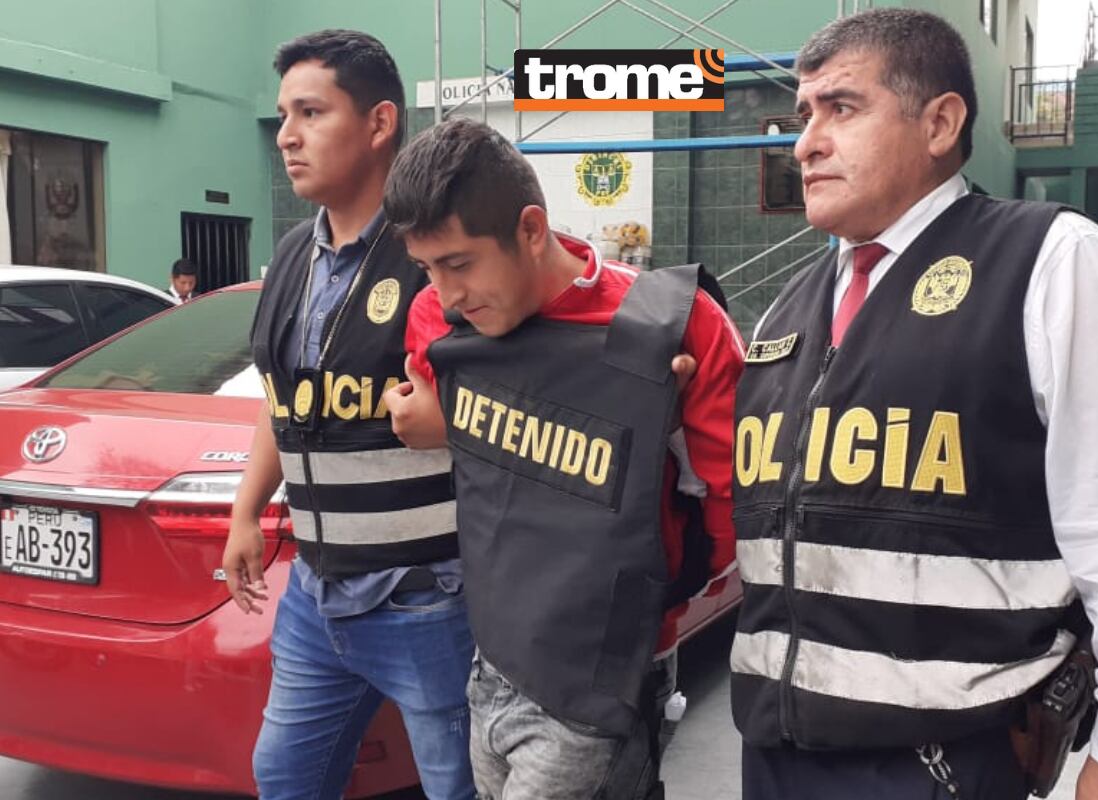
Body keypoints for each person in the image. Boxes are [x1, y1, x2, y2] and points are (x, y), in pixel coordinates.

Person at [732, 8, 1098, 800]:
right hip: (776, 753)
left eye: (840, 108)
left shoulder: (1051, 260)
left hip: (945, 763)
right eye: (803, 114)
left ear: (940, 123)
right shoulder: (789, 306)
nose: (804, 142)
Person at [382, 117, 743, 800]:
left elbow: (730, 511)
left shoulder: (675, 325)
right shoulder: (437, 318)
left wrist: (648, 611)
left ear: (530, 228)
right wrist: (440, 424)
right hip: (488, 659)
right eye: (426, 268)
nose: (444, 291)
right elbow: (451, 428)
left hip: (602, 677)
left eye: (459, 263)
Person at [220, 30, 474, 800]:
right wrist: (245, 513)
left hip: (428, 598)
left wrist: (451, 423)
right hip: (315, 594)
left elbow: (521, 401)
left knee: (460, 787)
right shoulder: (294, 254)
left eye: (310, 113)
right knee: (286, 778)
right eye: (283, 116)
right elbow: (284, 400)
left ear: (379, 123)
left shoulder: (440, 248)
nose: (287, 137)